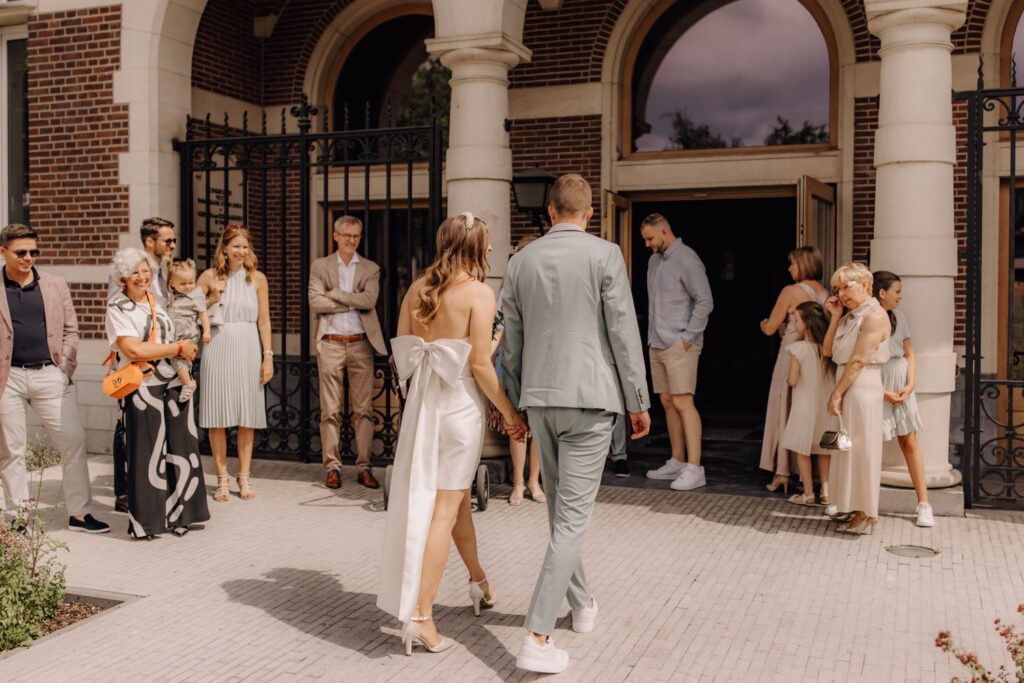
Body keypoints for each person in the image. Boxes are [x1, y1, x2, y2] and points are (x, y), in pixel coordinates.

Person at [502, 174, 651, 674]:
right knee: (570, 518)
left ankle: (582, 604)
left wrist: (517, 402)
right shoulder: (605, 254)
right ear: (589, 214)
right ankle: (537, 634)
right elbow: (623, 332)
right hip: (590, 397)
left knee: (560, 515)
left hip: (540, 397)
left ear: (549, 212)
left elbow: (512, 341)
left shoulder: (520, 261)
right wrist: (637, 399)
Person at [377, 212, 527, 656]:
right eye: (489, 245)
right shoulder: (479, 293)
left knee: (457, 500)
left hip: (424, 407)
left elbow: (402, 350)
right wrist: (511, 414)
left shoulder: (416, 288)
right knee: (443, 511)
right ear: (477, 248)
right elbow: (479, 365)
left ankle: (479, 580)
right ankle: (421, 615)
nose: (492, 252)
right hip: (459, 407)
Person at [0, 224, 109, 533]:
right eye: (21, 252)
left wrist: (64, 367)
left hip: (50, 374)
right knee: (12, 450)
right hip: (8, 380)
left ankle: (79, 514)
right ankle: (20, 518)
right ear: (3, 252)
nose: (28, 258)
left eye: (34, 252)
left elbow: (71, 329)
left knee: (73, 441)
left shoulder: (55, 284)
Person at [106, 247, 207, 538]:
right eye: (135, 272)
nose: (142, 277)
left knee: (181, 447)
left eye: (146, 270)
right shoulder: (117, 308)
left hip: (173, 379)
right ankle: (147, 523)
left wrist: (185, 349)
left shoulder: (158, 299)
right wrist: (177, 348)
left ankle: (182, 515)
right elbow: (133, 349)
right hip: (142, 385)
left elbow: (176, 330)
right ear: (123, 277)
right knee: (146, 453)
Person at [308, 215, 387, 490]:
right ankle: (332, 467)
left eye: (356, 235)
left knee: (363, 410)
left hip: (360, 344)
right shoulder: (320, 266)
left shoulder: (370, 268)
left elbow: (370, 300)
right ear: (336, 236)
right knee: (329, 410)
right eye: (347, 235)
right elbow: (315, 302)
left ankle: (364, 466)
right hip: (330, 342)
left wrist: (337, 294)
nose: (352, 240)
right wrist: (350, 302)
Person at [198, 225, 273, 502]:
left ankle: (244, 477)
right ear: (225, 248)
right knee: (217, 416)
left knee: (247, 416)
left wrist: (268, 356)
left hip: (248, 346)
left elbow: (264, 320)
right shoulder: (208, 276)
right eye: (236, 246)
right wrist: (212, 297)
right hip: (218, 345)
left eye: (245, 246)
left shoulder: (257, 279)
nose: (241, 251)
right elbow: (190, 311)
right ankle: (221, 479)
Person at [641, 213, 712, 491]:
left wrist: (687, 337)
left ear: (664, 231)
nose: (647, 244)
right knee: (668, 402)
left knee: (683, 402)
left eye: (650, 238)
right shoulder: (653, 261)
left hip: (680, 343)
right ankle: (678, 460)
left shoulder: (687, 258)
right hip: (656, 341)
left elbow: (705, 300)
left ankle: (695, 468)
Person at [823, 262, 890, 535]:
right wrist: (835, 316)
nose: (841, 294)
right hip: (849, 381)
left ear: (865, 283)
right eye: (837, 289)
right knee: (849, 449)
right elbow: (828, 351)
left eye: (845, 287)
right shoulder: (851, 315)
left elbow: (860, 360)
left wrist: (836, 393)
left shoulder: (874, 316)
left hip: (861, 386)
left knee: (861, 449)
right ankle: (854, 507)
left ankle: (865, 514)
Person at [758, 246, 828, 494]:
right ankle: (814, 478)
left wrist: (764, 323)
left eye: (793, 264)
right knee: (811, 413)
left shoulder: (790, 291)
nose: (790, 269)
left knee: (783, 410)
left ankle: (782, 472)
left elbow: (770, 327)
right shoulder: (826, 295)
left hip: (792, 354)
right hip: (817, 359)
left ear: (805, 264)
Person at [874, 270, 933, 527]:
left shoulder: (900, 316)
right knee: (870, 445)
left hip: (901, 384)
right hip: (877, 384)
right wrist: (881, 391)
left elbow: (910, 353)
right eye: (897, 291)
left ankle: (924, 504)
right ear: (881, 293)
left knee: (910, 443)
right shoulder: (868, 318)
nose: (900, 296)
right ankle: (862, 502)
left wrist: (910, 384)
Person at [490, 234, 543, 505]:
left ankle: (535, 481)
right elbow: (497, 328)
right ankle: (518, 482)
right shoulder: (506, 290)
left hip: (541, 364)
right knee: (516, 423)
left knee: (540, 427)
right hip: (513, 364)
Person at [781, 301, 834, 507]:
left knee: (802, 450)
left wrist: (787, 380)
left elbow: (793, 380)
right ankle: (827, 492)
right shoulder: (828, 350)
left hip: (804, 405)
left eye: (796, 320)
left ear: (807, 324)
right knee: (823, 450)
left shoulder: (798, 349)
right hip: (824, 407)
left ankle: (809, 494)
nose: (795, 324)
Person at [166, 259, 211, 403]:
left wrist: (207, 332)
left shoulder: (196, 294)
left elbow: (203, 314)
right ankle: (183, 378)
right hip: (175, 334)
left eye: (191, 282)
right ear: (172, 283)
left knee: (179, 359)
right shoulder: (172, 295)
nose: (188, 287)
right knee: (179, 359)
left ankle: (188, 383)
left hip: (187, 333)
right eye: (183, 284)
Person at [138, 217, 176, 306]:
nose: (173, 246)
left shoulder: (167, 271)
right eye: (168, 241)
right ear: (150, 242)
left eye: (174, 241)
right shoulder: (130, 272)